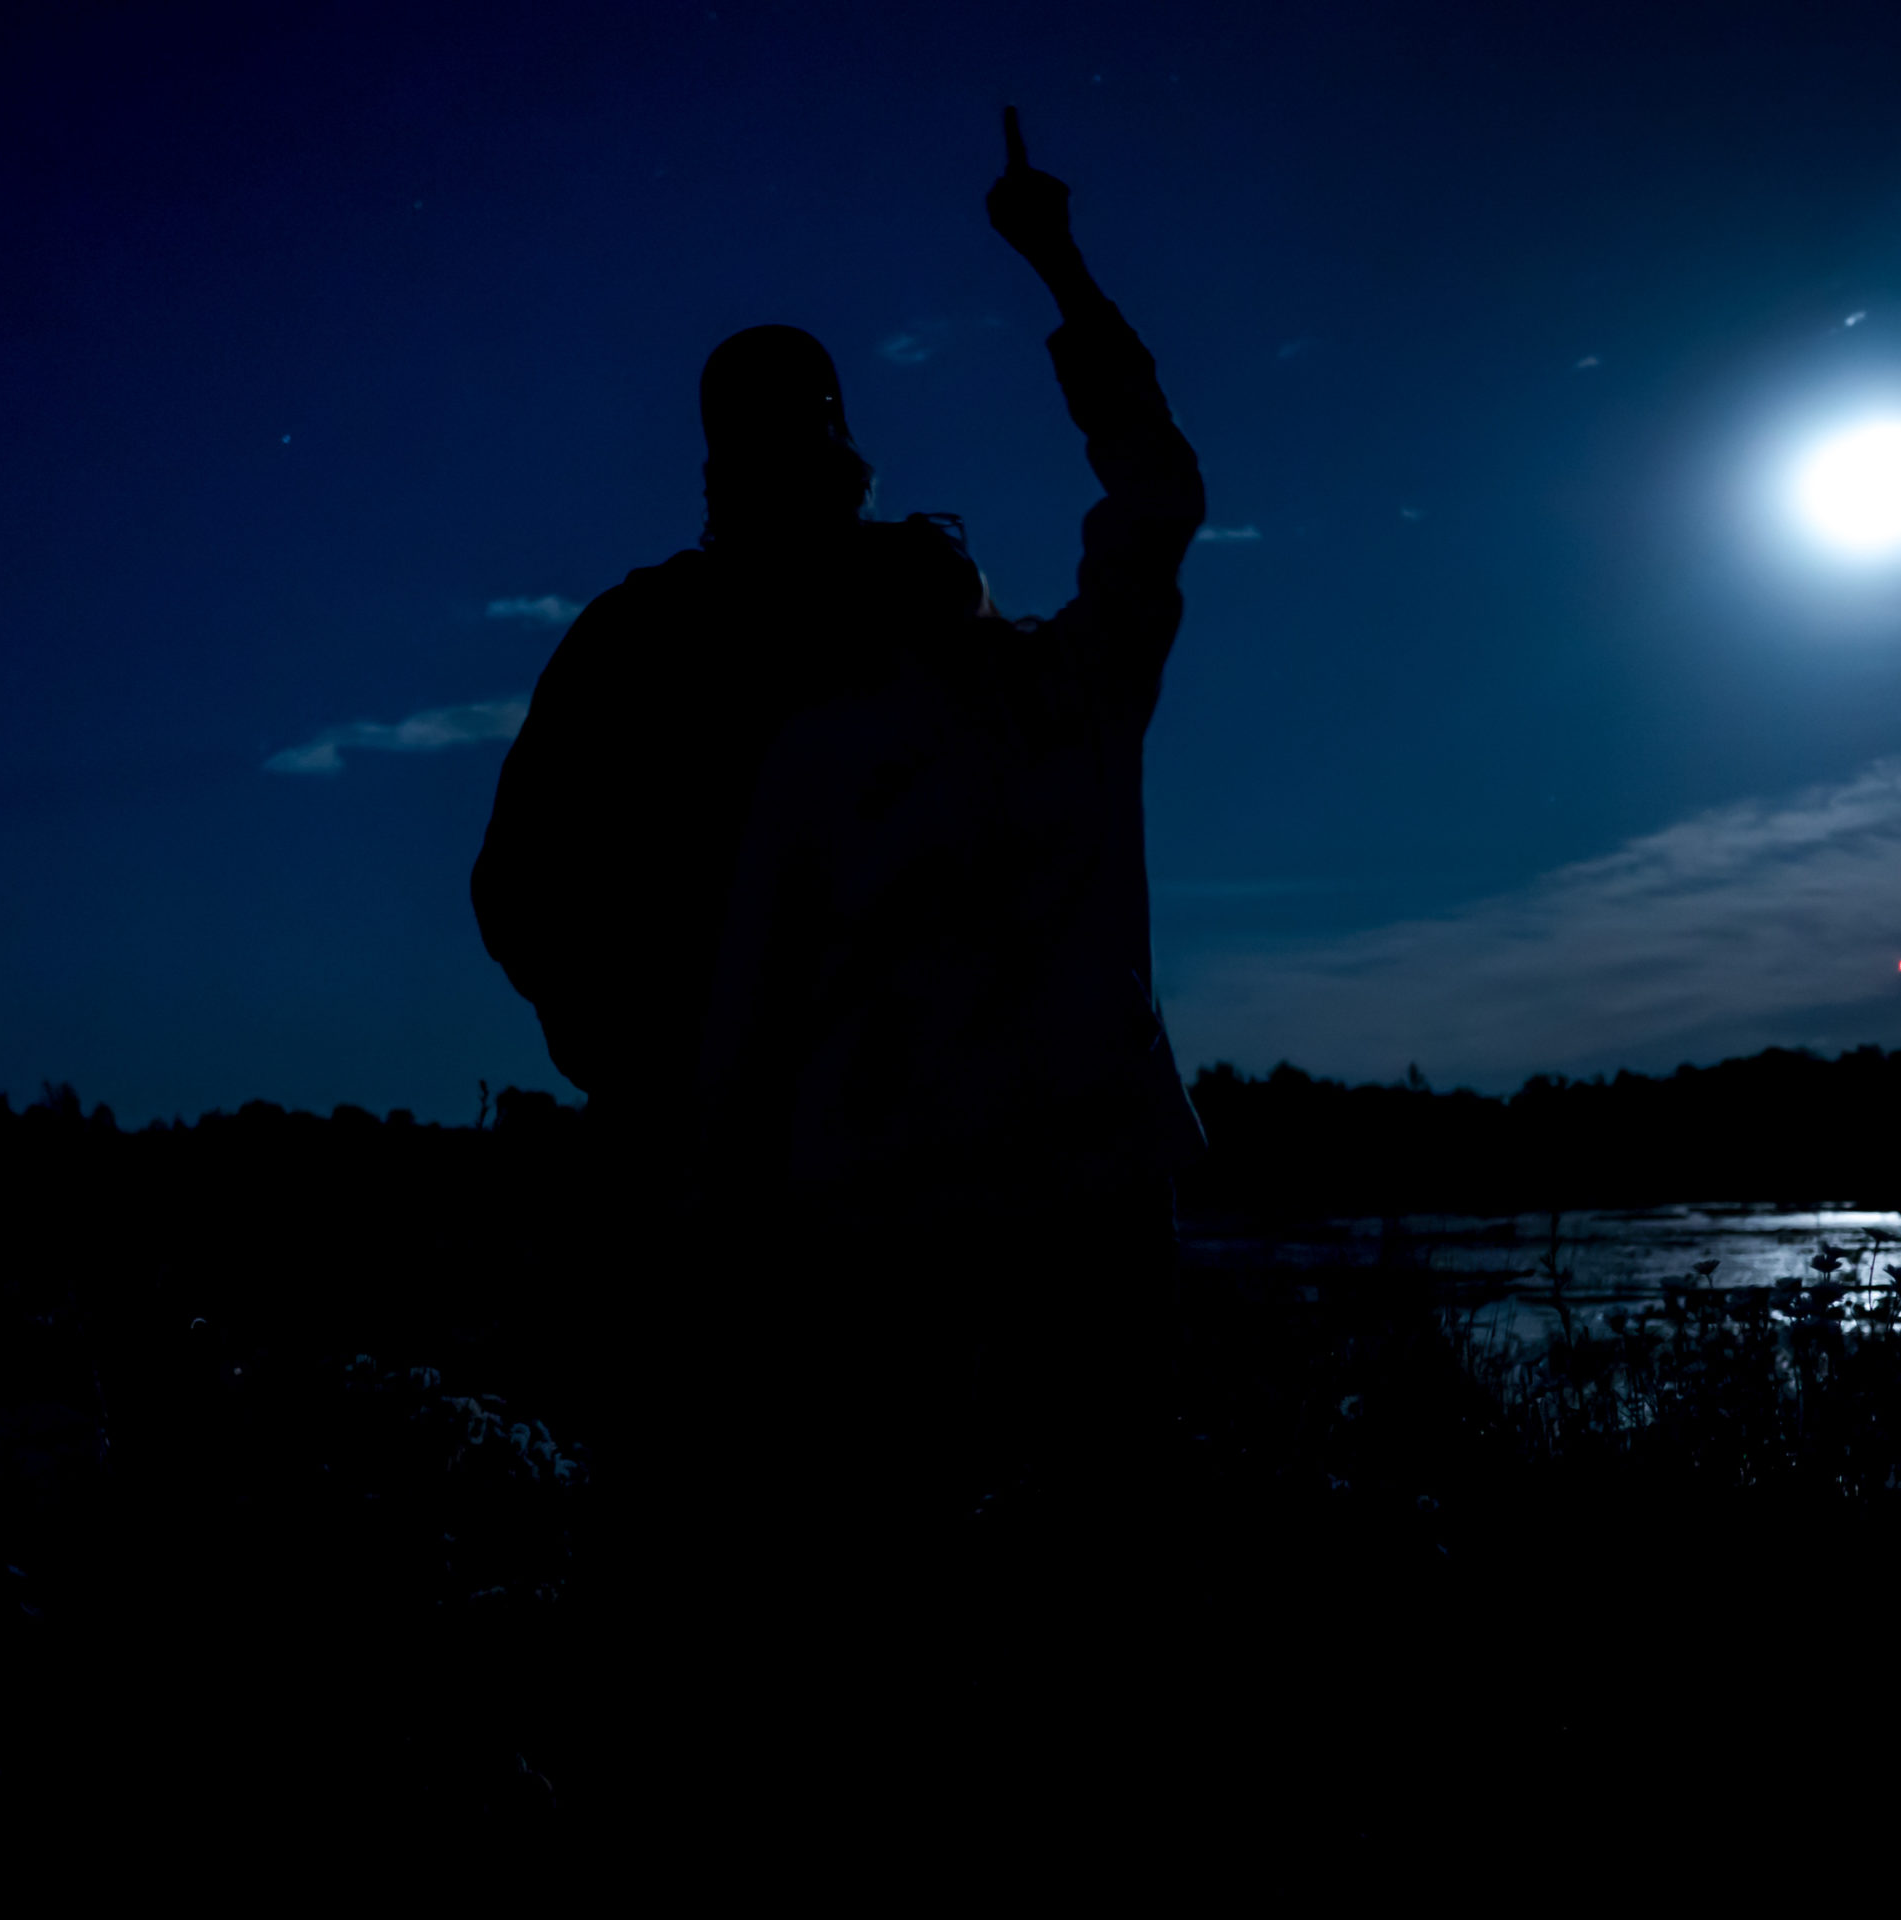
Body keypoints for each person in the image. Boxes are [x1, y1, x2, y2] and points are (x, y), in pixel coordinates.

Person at [679, 107, 1212, 1835]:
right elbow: (1155, 486)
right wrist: (1054, 259)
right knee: (1105, 1588)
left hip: (893, 1236)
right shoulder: (1075, 693)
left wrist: (720, 1227)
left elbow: (743, 1038)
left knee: (901, 1613)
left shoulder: (827, 753)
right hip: (1088, 1206)